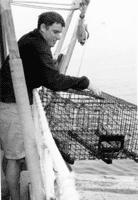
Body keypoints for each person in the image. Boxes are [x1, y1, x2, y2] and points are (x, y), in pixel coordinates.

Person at [0, 11, 101, 200]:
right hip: (11, 105)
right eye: (54, 32)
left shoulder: (30, 41)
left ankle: (9, 191)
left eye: (60, 34)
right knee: (14, 157)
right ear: (43, 28)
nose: (57, 37)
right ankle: (12, 197)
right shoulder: (37, 44)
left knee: (11, 154)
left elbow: (41, 75)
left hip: (11, 102)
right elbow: (52, 80)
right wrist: (85, 82)